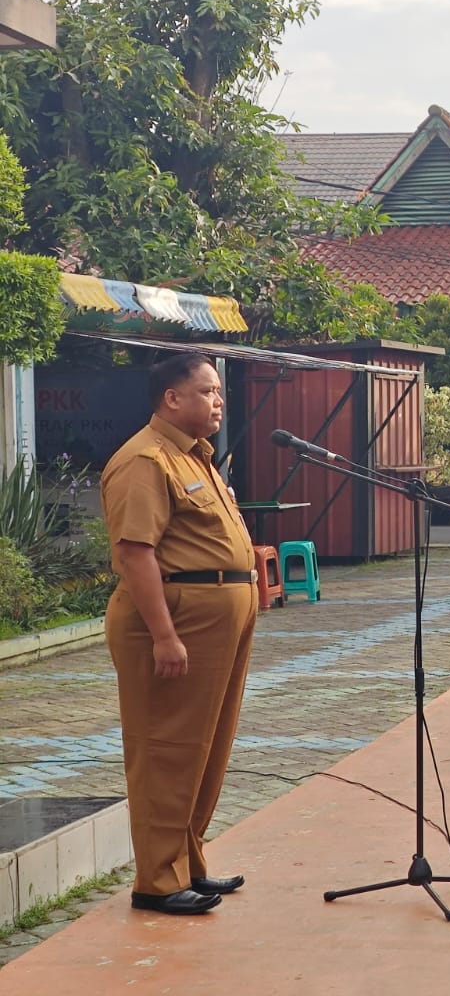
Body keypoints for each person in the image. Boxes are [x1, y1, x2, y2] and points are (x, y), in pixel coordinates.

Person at [101, 352, 258, 915]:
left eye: (219, 392)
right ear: (172, 397)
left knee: (205, 749)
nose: (219, 401)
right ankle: (157, 881)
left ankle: (186, 862)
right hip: (174, 621)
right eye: (208, 391)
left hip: (218, 619)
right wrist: (164, 635)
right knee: (166, 750)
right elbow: (135, 553)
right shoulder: (145, 460)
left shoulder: (197, 459)